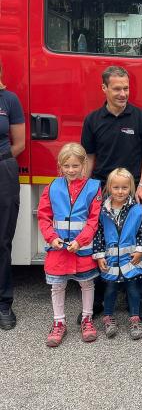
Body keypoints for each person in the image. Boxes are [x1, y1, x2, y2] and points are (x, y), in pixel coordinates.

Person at [81, 65, 142, 322]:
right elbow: (89, 157)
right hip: (103, 188)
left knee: (135, 242)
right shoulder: (92, 120)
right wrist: (86, 189)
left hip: (133, 191)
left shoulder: (141, 118)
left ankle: (137, 300)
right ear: (104, 89)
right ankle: (103, 299)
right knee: (103, 242)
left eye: (126, 88)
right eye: (117, 88)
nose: (123, 93)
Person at [37, 143, 102, 347]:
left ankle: (87, 319)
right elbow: (44, 216)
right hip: (58, 249)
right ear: (60, 166)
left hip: (81, 248)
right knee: (57, 286)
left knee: (87, 284)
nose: (71, 170)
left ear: (83, 164)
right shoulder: (52, 187)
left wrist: (80, 240)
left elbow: (94, 220)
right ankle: (59, 322)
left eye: (75, 165)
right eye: (67, 166)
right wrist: (50, 237)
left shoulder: (93, 187)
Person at [93, 168, 142, 341]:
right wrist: (99, 255)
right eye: (116, 187)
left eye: (124, 188)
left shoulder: (138, 209)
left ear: (131, 188)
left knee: (133, 290)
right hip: (111, 262)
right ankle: (108, 319)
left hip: (132, 260)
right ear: (109, 188)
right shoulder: (102, 210)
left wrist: (141, 251)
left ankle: (134, 320)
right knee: (110, 290)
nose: (120, 191)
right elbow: (98, 234)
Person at [0, 62, 25, 330]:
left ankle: (3, 303)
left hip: (2, 169)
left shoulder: (9, 100)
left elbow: (19, 143)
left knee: (2, 240)